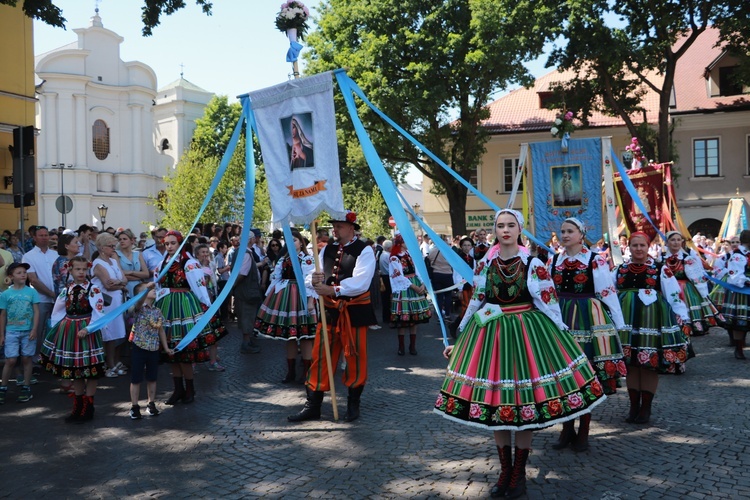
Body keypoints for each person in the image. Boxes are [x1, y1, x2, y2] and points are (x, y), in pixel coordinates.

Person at [434, 209, 606, 499]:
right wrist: (461, 337)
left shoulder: (534, 263)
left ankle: (519, 474)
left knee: (523, 406)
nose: (505, 230)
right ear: (495, 230)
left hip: (527, 334)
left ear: (519, 229)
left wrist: (563, 333)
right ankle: (505, 471)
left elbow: (549, 303)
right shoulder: (485, 266)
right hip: (492, 337)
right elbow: (477, 302)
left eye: (510, 225)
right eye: (500, 225)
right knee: (498, 406)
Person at [289, 211, 376, 423]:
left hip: (354, 311)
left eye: (339, 226)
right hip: (329, 311)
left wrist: (333, 289)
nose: (334, 230)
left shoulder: (364, 250)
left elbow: (361, 283)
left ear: (351, 228)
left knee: (355, 356)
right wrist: (315, 279)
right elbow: (312, 275)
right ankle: (313, 405)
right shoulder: (327, 248)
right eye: (334, 226)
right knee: (321, 356)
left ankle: (353, 404)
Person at [549, 218, 626, 452]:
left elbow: (606, 291)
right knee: (563, 372)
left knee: (586, 372)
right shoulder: (554, 259)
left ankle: (584, 429)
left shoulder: (594, 260)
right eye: (562, 231)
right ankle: (566, 428)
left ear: (581, 234)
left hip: (587, 316)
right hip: (560, 316)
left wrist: (618, 323)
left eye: (570, 231)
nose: (565, 235)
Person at [613, 231, 691, 424]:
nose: (638, 249)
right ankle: (633, 406)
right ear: (628, 247)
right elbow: (610, 294)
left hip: (652, 321)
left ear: (649, 247)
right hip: (627, 323)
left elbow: (673, 295)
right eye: (634, 245)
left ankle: (646, 407)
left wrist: (683, 318)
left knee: (649, 364)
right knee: (631, 365)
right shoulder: (619, 269)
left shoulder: (660, 269)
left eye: (642, 245)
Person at [156, 230, 228, 404]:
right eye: (167, 243)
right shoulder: (162, 263)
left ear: (180, 243)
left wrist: (207, 309)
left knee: (185, 351)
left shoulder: (189, 263)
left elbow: (200, 288)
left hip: (185, 306)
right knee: (170, 351)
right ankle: (178, 389)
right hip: (167, 306)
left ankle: (189, 389)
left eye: (173, 243)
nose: (169, 246)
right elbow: (158, 285)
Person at [41, 256, 107, 422]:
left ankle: (89, 406)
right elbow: (58, 311)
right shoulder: (67, 290)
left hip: (87, 330)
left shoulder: (93, 289)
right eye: (78, 269)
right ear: (70, 270)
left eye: (84, 269)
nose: (81, 272)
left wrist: (88, 328)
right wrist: (57, 329)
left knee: (90, 370)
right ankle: (78, 405)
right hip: (70, 330)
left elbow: (99, 312)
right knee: (76, 371)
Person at [255, 230, 318, 383]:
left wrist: (310, 301)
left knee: (305, 336)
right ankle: (290, 372)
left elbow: (310, 280)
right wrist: (268, 298)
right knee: (289, 336)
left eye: (295, 240)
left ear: (301, 243)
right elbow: (275, 278)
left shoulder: (307, 259)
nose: (292, 243)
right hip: (285, 298)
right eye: (289, 241)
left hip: (301, 297)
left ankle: (306, 372)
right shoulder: (283, 259)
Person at [662, 230, 724, 336]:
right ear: (667, 243)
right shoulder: (661, 259)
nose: (676, 242)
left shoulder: (688, 258)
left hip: (686, 289)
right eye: (672, 240)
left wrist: (703, 293)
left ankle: (690, 327)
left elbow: (697, 277)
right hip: (667, 288)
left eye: (678, 240)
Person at [128, 282, 173, 419]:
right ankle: (135, 406)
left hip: (153, 348)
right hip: (139, 347)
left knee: (152, 377)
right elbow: (138, 303)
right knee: (136, 378)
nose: (153, 290)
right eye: (149, 290)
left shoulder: (157, 311)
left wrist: (166, 348)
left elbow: (161, 331)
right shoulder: (138, 308)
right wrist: (145, 290)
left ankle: (151, 403)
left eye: (153, 288)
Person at [0, 263, 40, 404]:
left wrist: (34, 329)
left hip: (28, 330)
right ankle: (3, 387)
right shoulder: (6, 294)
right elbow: (3, 314)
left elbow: (36, 311)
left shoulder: (31, 292)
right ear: (11, 277)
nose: (23, 274)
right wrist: (2, 334)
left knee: (26, 358)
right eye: (19, 272)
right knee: (10, 359)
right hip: (11, 331)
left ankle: (26, 387)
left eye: (24, 272)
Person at [91, 233, 128, 378]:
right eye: (110, 246)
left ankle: (112, 362)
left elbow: (123, 279)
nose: (114, 248)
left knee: (115, 333)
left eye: (114, 245)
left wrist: (119, 283)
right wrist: (121, 284)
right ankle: (106, 364)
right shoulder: (98, 264)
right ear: (101, 247)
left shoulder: (113, 260)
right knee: (107, 334)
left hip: (117, 301)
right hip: (105, 302)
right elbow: (108, 285)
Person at [388, 233, 431, 355]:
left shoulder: (409, 255)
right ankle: (401, 346)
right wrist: (414, 287)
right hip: (404, 287)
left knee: (415, 318)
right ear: (401, 243)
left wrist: (422, 283)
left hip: (415, 284)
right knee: (403, 318)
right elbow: (398, 276)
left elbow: (417, 270)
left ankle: (412, 346)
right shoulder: (394, 258)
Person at [22, 226, 58, 365]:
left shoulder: (55, 255)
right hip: (40, 299)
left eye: (46, 235)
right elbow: (33, 280)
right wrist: (51, 294)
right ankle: (34, 358)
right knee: (38, 329)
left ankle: (52, 357)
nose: (44, 237)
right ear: (34, 238)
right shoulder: (28, 256)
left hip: (57, 300)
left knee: (55, 330)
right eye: (41, 235)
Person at [194, 243, 225, 371]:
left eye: (207, 252)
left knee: (213, 336)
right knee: (196, 336)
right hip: (197, 305)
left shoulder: (212, 264)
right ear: (197, 254)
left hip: (210, 303)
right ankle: (193, 364)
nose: (206, 254)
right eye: (203, 252)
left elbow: (213, 281)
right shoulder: (193, 267)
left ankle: (213, 361)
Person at [720, 230, 750, 358]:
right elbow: (734, 277)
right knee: (740, 321)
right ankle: (739, 348)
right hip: (742, 291)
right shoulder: (738, 255)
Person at [234, 231, 264, 355]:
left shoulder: (241, 252)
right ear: (251, 240)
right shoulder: (245, 253)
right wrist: (234, 285)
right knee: (247, 315)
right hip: (247, 291)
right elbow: (243, 273)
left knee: (246, 315)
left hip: (244, 290)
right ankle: (246, 343)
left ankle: (247, 341)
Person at [116, 229, 149, 300]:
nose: (122, 241)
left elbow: (146, 274)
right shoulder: (116, 254)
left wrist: (131, 272)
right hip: (124, 286)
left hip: (139, 287)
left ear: (132, 241)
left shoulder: (138, 254)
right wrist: (140, 276)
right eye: (120, 239)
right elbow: (119, 275)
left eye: (124, 239)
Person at [427, 243, 454, 320]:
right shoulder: (448, 251)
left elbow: (429, 259)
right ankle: (447, 314)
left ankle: (439, 316)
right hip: (448, 274)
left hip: (436, 274)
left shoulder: (432, 251)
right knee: (448, 296)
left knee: (439, 297)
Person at [457, 237, 475, 318]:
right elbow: (457, 273)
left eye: (469, 245)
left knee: (473, 305)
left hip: (472, 284)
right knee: (465, 305)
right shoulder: (458, 258)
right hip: (463, 285)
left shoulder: (473, 257)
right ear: (461, 246)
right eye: (464, 245)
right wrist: (459, 289)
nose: (467, 247)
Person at [378, 240, 393, 324]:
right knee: (388, 297)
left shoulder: (382, 255)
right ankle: (389, 316)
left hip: (384, 276)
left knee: (385, 298)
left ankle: (386, 316)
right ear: (388, 248)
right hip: (388, 277)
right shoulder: (388, 256)